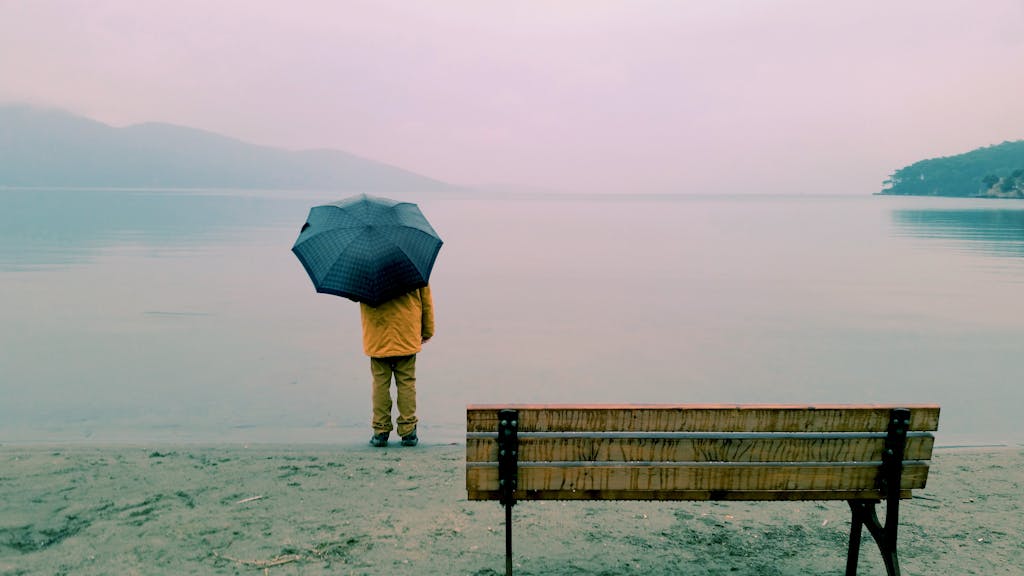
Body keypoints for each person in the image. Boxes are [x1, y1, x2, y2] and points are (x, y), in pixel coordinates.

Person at [360, 285, 434, 447]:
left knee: (380, 384)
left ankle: (380, 432)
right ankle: (408, 431)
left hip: (377, 334)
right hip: (406, 332)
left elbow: (356, 295)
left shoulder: (366, 272)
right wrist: (427, 330)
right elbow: (426, 301)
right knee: (406, 382)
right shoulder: (412, 267)